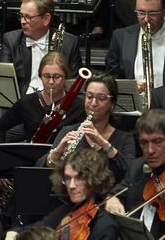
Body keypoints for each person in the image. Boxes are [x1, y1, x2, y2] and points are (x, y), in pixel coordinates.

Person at [43, 73, 136, 182]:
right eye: (90, 97)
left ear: (112, 103)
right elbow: (46, 169)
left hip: (109, 196)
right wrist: (57, 152)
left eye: (101, 98)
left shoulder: (125, 138)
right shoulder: (68, 131)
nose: (93, 103)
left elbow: (131, 172)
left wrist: (103, 143)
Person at [10, 149, 119, 240]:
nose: (71, 185)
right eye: (67, 178)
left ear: (95, 179)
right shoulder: (66, 210)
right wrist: (14, 232)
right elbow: (34, 229)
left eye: (79, 178)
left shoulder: (105, 225)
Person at [0, 0, 82, 94]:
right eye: (21, 15)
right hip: (22, 102)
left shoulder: (69, 43)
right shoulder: (11, 40)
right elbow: (3, 83)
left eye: (28, 17)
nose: (22, 21)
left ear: (46, 19)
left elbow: (75, 86)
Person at [0, 52, 84, 143]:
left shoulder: (78, 105)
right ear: (40, 75)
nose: (51, 82)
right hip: (33, 156)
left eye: (57, 77)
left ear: (65, 76)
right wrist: (0, 154)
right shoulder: (27, 103)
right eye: (46, 76)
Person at [104, 108, 165, 237]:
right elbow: (117, 192)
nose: (150, 150)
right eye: (144, 143)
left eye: (157, 141)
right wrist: (112, 199)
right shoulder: (138, 166)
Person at [105, 0, 165, 87]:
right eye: (141, 12)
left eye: (152, 13)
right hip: (132, 102)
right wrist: (128, 87)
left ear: (164, 12)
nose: (146, 19)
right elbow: (111, 80)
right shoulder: (120, 37)